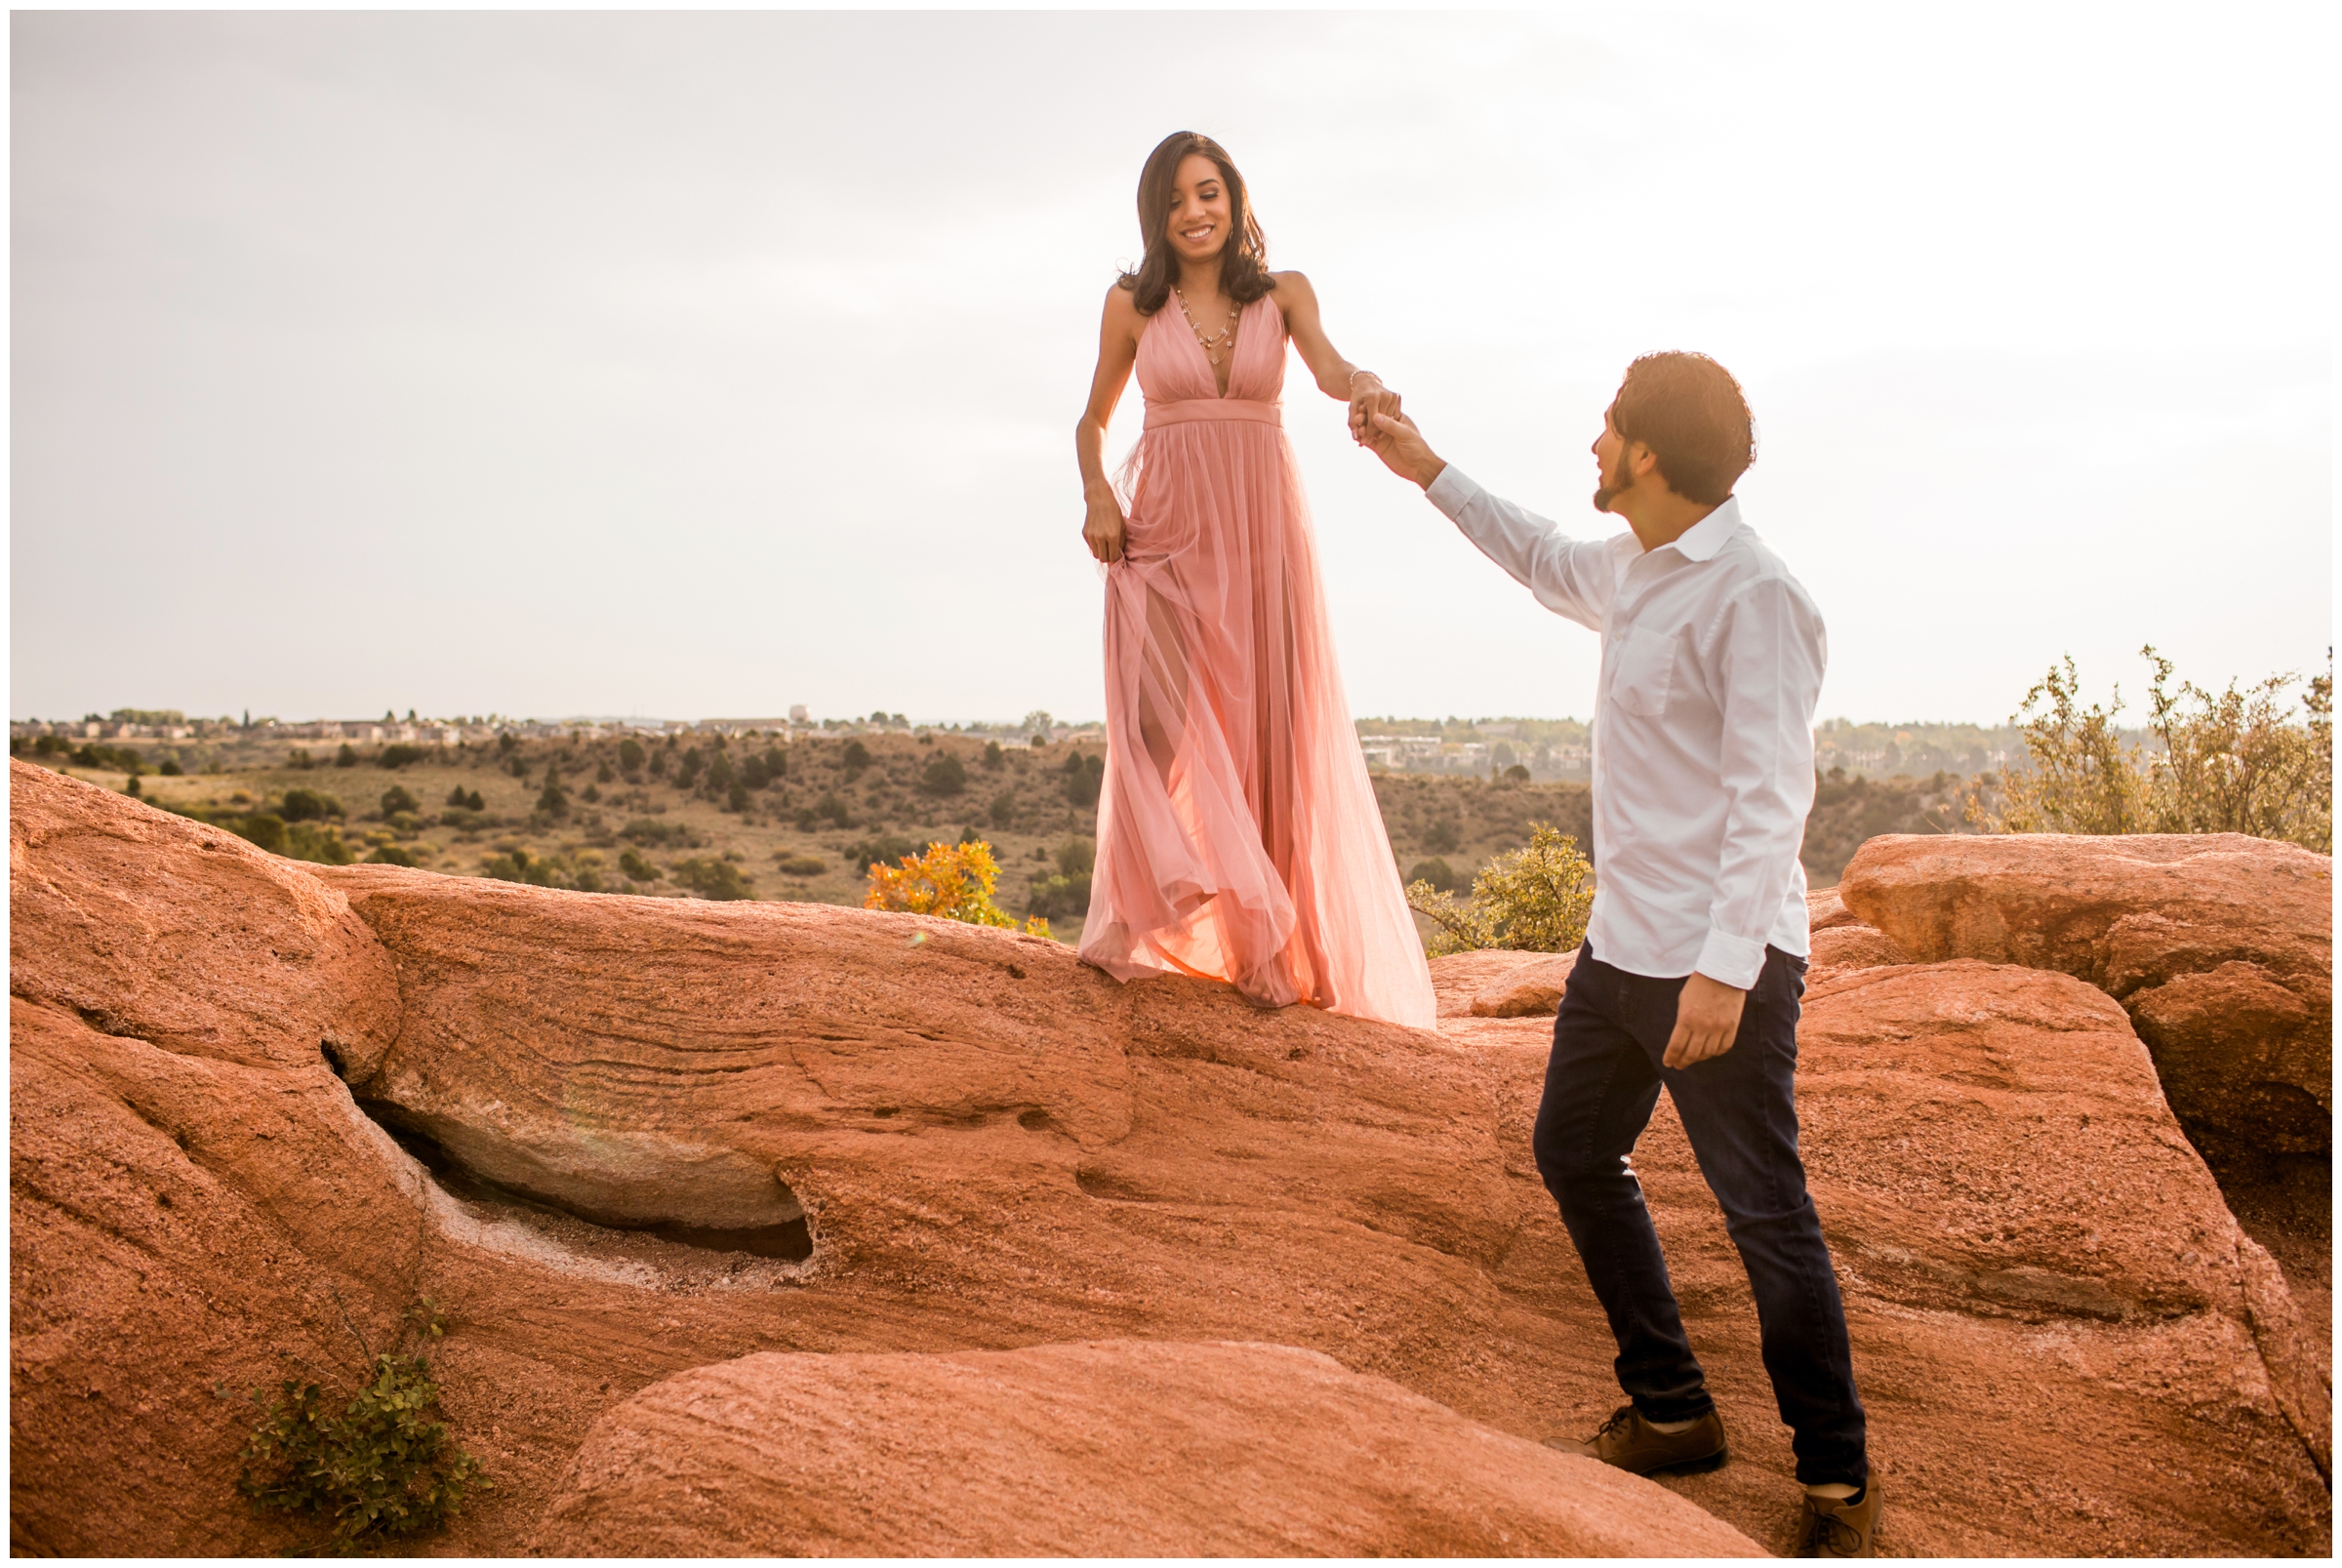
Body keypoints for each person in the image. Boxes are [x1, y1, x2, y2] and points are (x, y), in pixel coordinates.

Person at [1361, 355, 1878, 1557]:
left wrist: (1725, 969)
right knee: (1574, 1148)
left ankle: (1839, 1480)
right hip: (1620, 945)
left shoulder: (1755, 594)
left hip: (1714, 960)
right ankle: (1673, 1404)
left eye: (1608, 427)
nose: (1592, 444)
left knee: (1765, 1213)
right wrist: (1421, 463)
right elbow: (1539, 551)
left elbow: (1770, 801)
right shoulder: (1636, 567)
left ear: (1646, 452)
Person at [1071, 132, 1434, 1030]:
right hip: (1164, 529)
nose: (1194, 213)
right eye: (1174, 201)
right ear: (1156, 217)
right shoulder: (1130, 304)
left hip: (1263, 530)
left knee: (1271, 730)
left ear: (1234, 199)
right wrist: (1096, 496)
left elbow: (1332, 369)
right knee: (1154, 724)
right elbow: (1092, 418)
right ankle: (1131, 914)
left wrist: (1368, 385)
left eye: (1208, 194)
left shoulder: (1285, 295)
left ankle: (1272, 946)